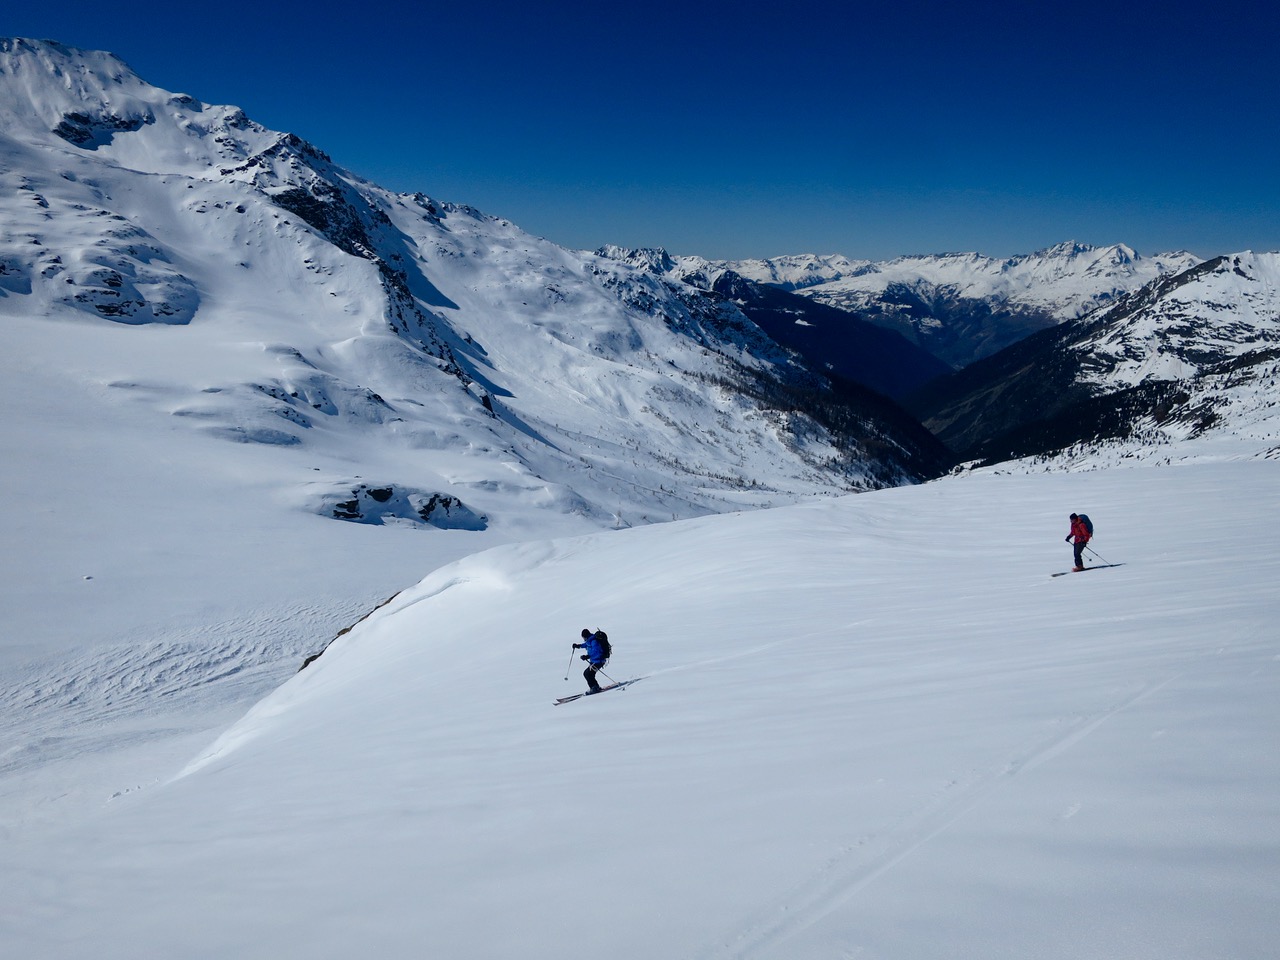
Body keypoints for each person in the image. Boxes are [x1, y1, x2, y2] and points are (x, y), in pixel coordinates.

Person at [573, 628, 608, 693]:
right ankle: (595, 687)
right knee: (588, 674)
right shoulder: (590, 640)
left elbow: (596, 651)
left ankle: (594, 688)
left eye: (583, 637)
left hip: (599, 661)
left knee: (588, 674)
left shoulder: (594, 641)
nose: (583, 639)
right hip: (595, 661)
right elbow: (586, 645)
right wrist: (578, 646)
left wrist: (587, 656)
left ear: (585, 636)